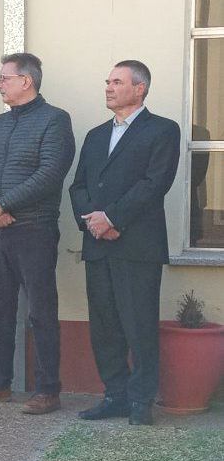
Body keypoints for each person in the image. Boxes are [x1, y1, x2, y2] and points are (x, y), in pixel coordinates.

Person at [0, 53, 75, 414]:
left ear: (26, 81)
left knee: (41, 311)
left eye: (4, 78)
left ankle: (47, 391)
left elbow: (50, 174)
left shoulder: (55, 121)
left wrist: (4, 204)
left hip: (34, 231)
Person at [70, 60, 180, 426]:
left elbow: (154, 183)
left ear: (140, 89)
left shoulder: (162, 131)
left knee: (139, 325)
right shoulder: (96, 135)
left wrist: (113, 219)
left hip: (136, 246)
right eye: (107, 81)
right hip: (98, 246)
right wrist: (93, 223)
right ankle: (114, 395)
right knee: (105, 327)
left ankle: (140, 401)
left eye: (117, 82)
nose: (108, 87)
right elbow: (79, 186)